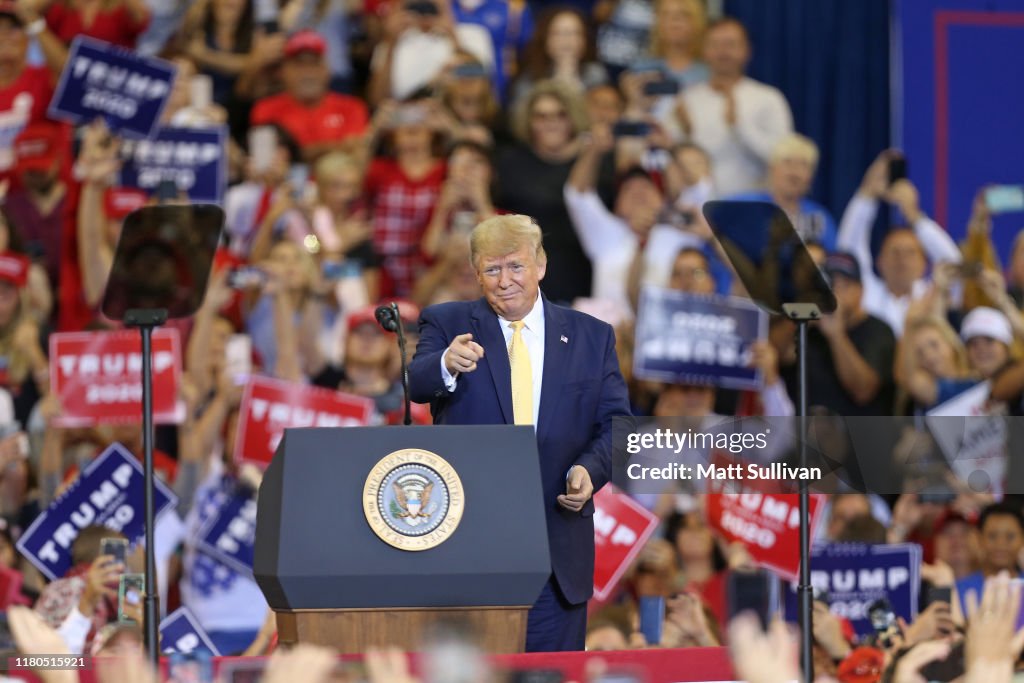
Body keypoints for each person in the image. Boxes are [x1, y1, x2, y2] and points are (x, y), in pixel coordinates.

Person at [408, 214, 632, 651]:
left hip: (555, 550)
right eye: (492, 269)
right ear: (477, 274)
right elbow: (417, 383)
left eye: (516, 266)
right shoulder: (447, 323)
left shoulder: (591, 337)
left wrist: (590, 471)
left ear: (540, 266)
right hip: (467, 545)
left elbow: (616, 427)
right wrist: (446, 364)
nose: (505, 280)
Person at [837, 151, 962, 337]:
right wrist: (867, 195)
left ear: (924, 264)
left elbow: (954, 265)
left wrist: (914, 216)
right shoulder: (866, 293)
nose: (901, 260)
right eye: (894, 252)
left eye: (910, 253)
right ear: (879, 261)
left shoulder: (932, 295)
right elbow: (848, 251)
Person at [668, 17, 793, 196]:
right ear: (703, 51)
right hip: (698, 211)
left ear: (747, 50)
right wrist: (683, 134)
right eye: (715, 44)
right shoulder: (687, 100)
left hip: (753, 208)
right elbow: (673, 161)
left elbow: (784, 159)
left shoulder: (769, 98)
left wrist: (740, 127)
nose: (723, 52)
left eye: (730, 44)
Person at [792, 251, 896, 415]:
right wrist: (802, 319)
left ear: (860, 291)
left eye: (844, 285)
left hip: (861, 435)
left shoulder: (879, 331)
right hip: (807, 431)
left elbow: (863, 391)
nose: (835, 293)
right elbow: (777, 352)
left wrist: (836, 335)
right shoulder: (811, 326)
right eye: (830, 285)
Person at [250, 31, 369, 162]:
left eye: (314, 64)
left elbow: (355, 156)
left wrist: (304, 152)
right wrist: (336, 148)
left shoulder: (351, 107)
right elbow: (267, 160)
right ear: (283, 71)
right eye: (299, 65)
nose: (308, 73)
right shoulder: (265, 109)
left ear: (327, 70)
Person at [729, 134, 837, 250]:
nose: (795, 172)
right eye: (787, 162)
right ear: (772, 169)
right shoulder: (746, 206)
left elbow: (831, 262)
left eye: (803, 165)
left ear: (811, 176)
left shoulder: (820, 217)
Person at [955, 502, 1024, 610]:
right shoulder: (958, 591)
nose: (1001, 544)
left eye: (1010, 536)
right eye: (992, 536)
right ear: (979, 538)